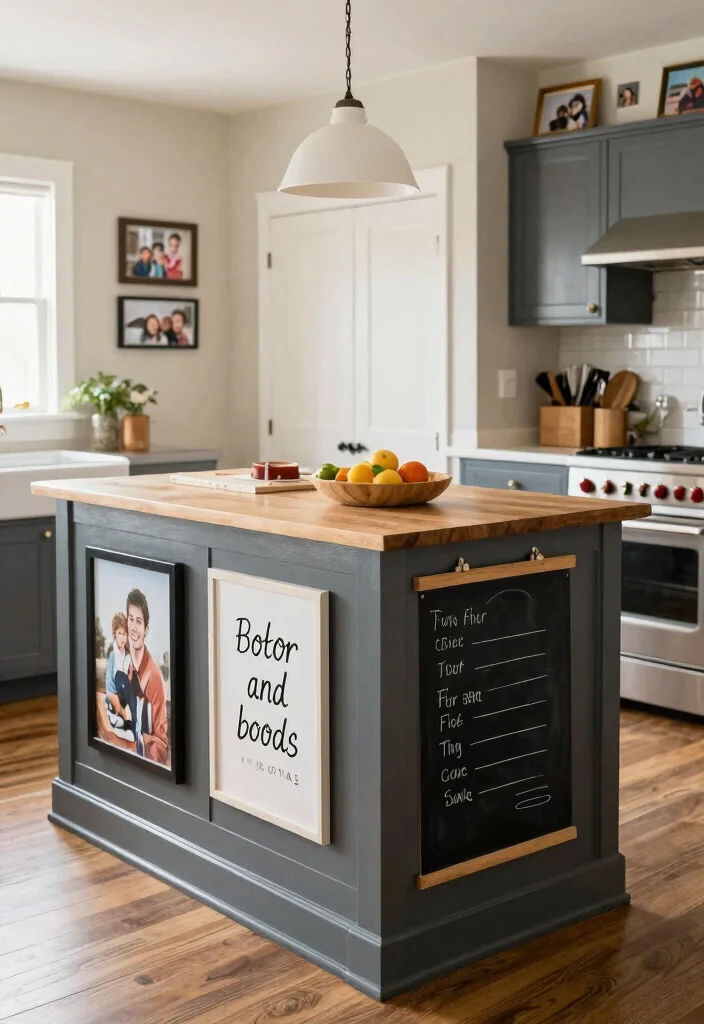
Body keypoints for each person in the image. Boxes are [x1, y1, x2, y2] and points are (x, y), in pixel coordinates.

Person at [126, 588, 168, 764]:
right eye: (131, 619)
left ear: (146, 629)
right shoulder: (124, 664)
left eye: (139, 621)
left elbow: (161, 742)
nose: (134, 627)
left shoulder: (154, 676)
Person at [104, 613, 135, 743]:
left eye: (125, 634)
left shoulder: (127, 654)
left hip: (125, 692)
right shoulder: (113, 655)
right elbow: (109, 680)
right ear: (115, 634)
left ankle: (128, 725)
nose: (123, 638)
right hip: (115, 693)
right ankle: (114, 714)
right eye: (120, 633)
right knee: (120, 678)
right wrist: (113, 698)